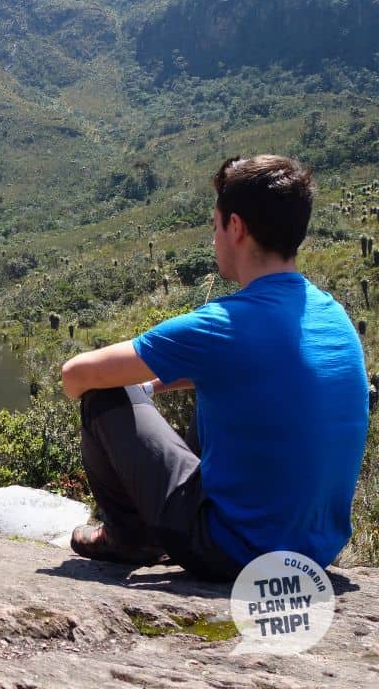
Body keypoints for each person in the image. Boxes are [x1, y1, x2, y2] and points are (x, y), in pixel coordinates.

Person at [60, 155, 368, 581]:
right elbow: (252, 369)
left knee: (104, 393)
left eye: (215, 224)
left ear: (236, 228)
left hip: (232, 551)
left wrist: (129, 389)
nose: (214, 238)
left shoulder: (224, 324)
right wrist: (156, 383)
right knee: (214, 392)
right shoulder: (332, 315)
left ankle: (129, 538)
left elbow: (76, 374)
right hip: (315, 550)